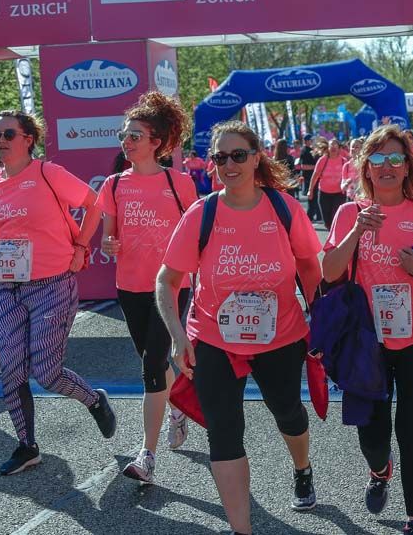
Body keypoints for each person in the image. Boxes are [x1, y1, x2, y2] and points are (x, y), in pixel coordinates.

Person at [156, 120, 323, 535]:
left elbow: (307, 264)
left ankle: (302, 467)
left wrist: (319, 316)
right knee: (224, 431)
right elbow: (166, 280)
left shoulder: (284, 208)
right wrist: (179, 338)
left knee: (286, 410)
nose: (229, 164)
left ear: (256, 157)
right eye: (220, 157)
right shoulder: (203, 213)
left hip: (280, 334)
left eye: (238, 155)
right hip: (213, 337)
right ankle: (241, 529)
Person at [323, 125, 413, 535]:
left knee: (411, 431)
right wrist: (357, 231)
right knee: (373, 433)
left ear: (407, 168)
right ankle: (380, 471)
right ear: (366, 167)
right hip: (367, 342)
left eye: (395, 159)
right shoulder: (350, 213)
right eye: (377, 159)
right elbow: (329, 273)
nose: (386, 166)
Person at [0, 110, 116, 476]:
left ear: (28, 138)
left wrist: (79, 245)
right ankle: (27, 446)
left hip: (52, 283)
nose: (1, 140)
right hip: (7, 285)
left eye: (9, 133)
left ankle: (94, 400)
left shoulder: (47, 173)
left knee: (47, 373)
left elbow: (95, 204)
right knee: (10, 371)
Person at [96, 92, 198, 483]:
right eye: (125, 134)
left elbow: (196, 237)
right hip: (130, 286)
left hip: (170, 286)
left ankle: (147, 456)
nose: (127, 140)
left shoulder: (180, 183)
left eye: (135, 135)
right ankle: (175, 407)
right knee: (153, 363)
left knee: (151, 366)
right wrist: (108, 244)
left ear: (156, 142)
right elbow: (109, 237)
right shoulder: (114, 184)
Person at [309, 138, 348, 229]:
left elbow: (348, 176)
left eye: (335, 145)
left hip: (339, 194)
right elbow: (315, 176)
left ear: (339, 148)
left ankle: (336, 239)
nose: (333, 147)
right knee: (327, 221)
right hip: (324, 193)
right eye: (331, 145)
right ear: (328, 148)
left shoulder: (344, 161)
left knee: (336, 217)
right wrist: (310, 191)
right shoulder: (323, 160)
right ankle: (331, 233)